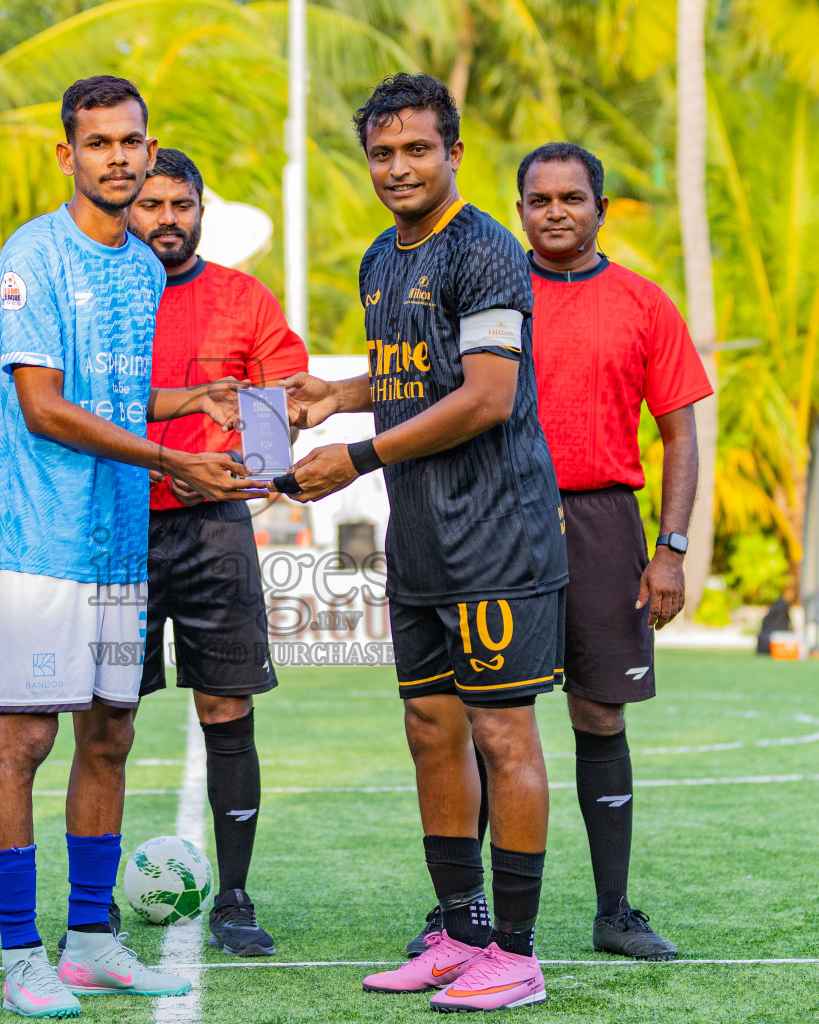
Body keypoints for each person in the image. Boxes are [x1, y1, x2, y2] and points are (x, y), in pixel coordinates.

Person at [0, 77, 263, 1019]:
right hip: (36, 538)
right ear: (69, 156)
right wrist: (174, 455)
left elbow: (116, 397)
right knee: (26, 738)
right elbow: (45, 406)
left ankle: (90, 940)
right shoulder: (31, 255)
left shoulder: (141, 266)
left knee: (112, 733)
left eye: (131, 141)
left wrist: (201, 400)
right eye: (98, 143)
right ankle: (22, 954)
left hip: (116, 545)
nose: (118, 158)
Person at [277, 73, 563, 1013]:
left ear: (454, 154)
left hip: (497, 534)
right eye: (383, 153)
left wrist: (354, 455)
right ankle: (460, 931)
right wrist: (339, 393)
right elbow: (419, 370)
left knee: (500, 733)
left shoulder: (485, 249)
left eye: (417, 150)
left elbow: (484, 394)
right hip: (424, 543)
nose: (399, 168)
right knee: (430, 730)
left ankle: (515, 954)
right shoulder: (378, 259)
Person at [519, 141, 711, 960]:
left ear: (600, 207)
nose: (555, 211)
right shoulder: (496, 294)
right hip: (504, 519)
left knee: (599, 711)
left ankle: (614, 911)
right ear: (520, 211)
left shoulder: (643, 302)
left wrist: (670, 549)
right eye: (539, 199)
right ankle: (471, 916)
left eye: (571, 197)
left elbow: (680, 434)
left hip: (604, 521)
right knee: (493, 718)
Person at [129, 147, 309, 956]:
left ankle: (234, 896)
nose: (167, 218)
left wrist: (264, 469)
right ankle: (91, 895)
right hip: (117, 532)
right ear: (127, 204)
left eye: (182, 204)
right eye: (151, 203)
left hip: (214, 533)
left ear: (202, 209)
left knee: (227, 710)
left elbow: (285, 391)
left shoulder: (243, 297)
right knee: (105, 721)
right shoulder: (103, 295)